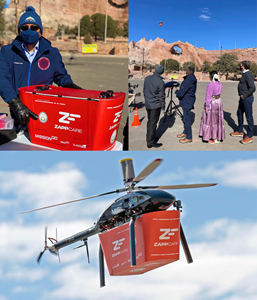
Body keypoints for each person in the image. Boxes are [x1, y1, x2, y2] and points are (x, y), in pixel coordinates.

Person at [0, 6, 81, 127]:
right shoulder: (7, 51)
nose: (29, 31)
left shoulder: (52, 53)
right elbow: (2, 78)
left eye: (34, 27)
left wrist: (69, 85)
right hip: (19, 114)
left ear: (40, 30)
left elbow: (61, 76)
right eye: (24, 27)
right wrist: (15, 102)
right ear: (19, 30)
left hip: (44, 114)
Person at [230, 61, 255, 144]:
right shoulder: (245, 74)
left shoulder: (248, 75)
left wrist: (245, 95)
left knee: (249, 116)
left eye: (241, 65)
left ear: (243, 66)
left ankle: (250, 135)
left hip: (247, 99)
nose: (240, 66)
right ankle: (240, 130)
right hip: (242, 99)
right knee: (239, 114)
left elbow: (253, 88)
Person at [199, 70, 225, 144]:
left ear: (210, 76)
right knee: (218, 120)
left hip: (212, 103)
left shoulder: (210, 85)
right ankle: (218, 137)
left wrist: (207, 107)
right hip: (219, 102)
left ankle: (212, 137)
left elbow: (208, 96)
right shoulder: (220, 84)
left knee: (211, 121)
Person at [143, 64, 165, 148]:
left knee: (150, 122)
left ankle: (150, 137)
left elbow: (144, 91)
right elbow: (161, 96)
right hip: (155, 106)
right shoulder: (160, 82)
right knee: (152, 123)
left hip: (148, 104)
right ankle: (150, 142)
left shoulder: (147, 78)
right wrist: (163, 107)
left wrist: (147, 100)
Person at [175, 66, 197, 143]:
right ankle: (185, 132)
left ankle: (189, 137)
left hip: (186, 101)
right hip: (190, 100)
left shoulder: (187, 81)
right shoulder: (193, 79)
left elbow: (181, 94)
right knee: (185, 119)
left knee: (187, 120)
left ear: (187, 72)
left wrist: (177, 93)